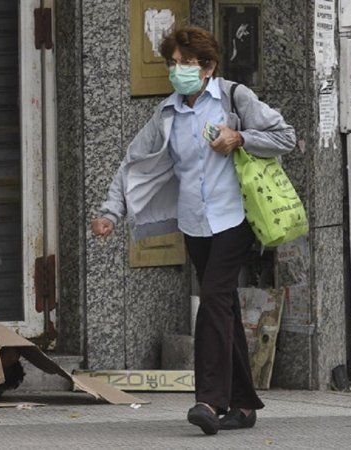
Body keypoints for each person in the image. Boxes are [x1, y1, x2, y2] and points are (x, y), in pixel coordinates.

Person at [91, 25, 295, 435]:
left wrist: (240, 137)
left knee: (214, 299)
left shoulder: (236, 98)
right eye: (173, 63)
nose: (178, 70)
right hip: (195, 223)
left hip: (235, 218)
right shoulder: (167, 113)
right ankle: (242, 405)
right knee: (226, 307)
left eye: (187, 63)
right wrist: (111, 212)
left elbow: (286, 137)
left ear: (208, 66)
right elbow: (133, 163)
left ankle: (209, 400)